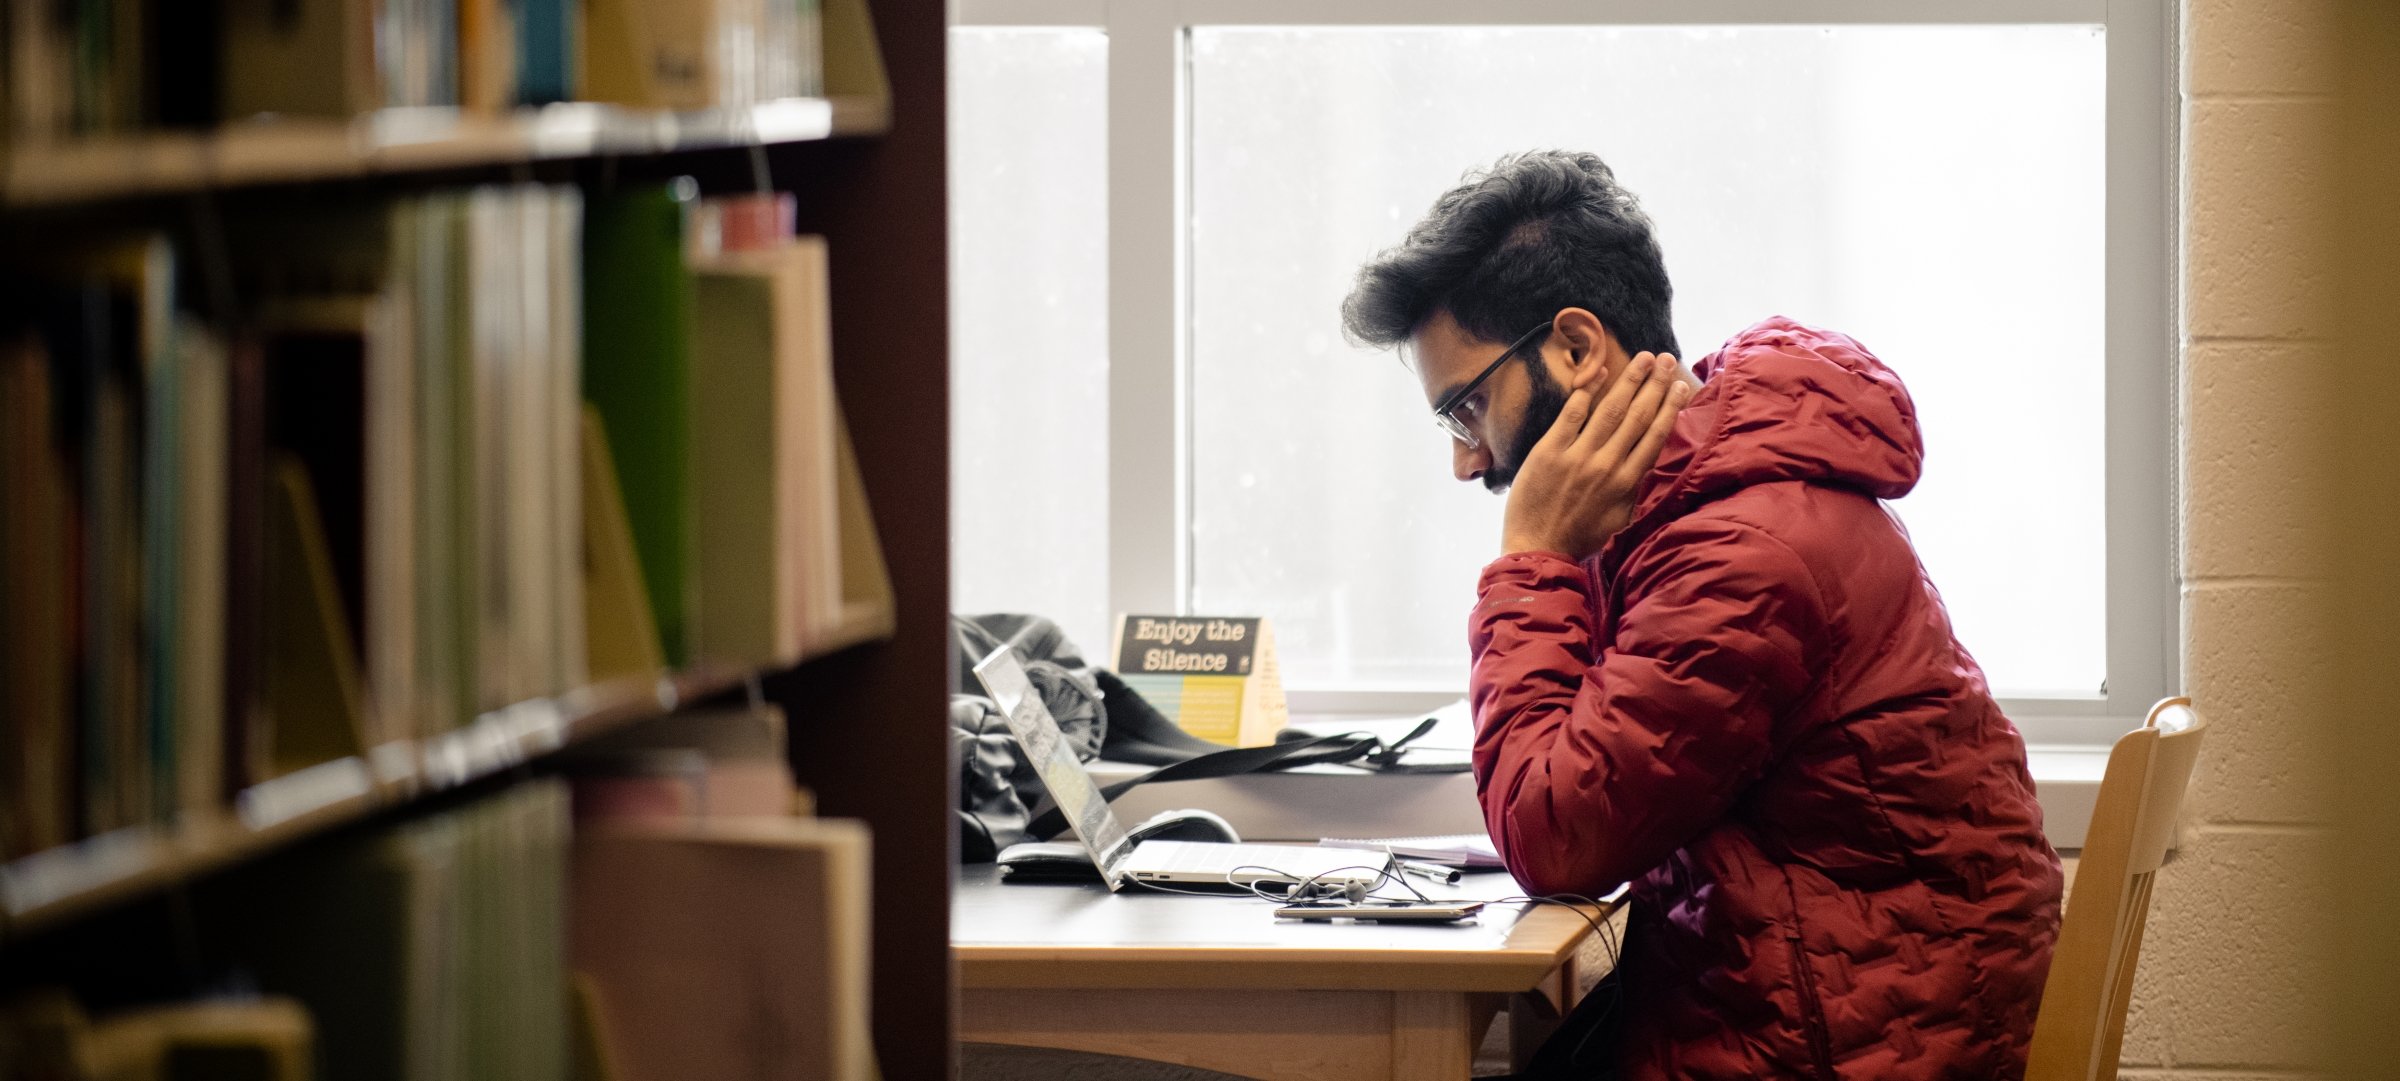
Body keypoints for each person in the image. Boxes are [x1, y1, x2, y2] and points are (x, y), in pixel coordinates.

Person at [1341, 149, 2064, 1079]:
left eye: (1467, 409)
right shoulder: (1699, 507)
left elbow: (1553, 834)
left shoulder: (1743, 552)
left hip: (1848, 1047)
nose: (1467, 462)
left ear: (1575, 347)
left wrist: (1532, 559)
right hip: (1809, 1012)